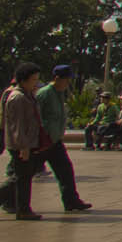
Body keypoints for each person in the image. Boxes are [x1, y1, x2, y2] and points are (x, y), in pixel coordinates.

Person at [34, 65, 90, 212]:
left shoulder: (60, 93)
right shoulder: (44, 94)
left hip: (55, 141)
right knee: (24, 174)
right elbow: (34, 116)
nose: (68, 83)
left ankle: (72, 201)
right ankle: (6, 196)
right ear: (57, 78)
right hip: (42, 141)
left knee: (66, 171)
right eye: (66, 80)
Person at [2, 63, 48, 220]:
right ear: (23, 80)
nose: (35, 83)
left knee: (23, 177)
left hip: (27, 143)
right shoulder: (18, 98)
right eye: (33, 80)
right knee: (22, 178)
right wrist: (24, 146)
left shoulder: (27, 95)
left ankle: (23, 208)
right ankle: (23, 209)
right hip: (21, 145)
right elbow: (18, 125)